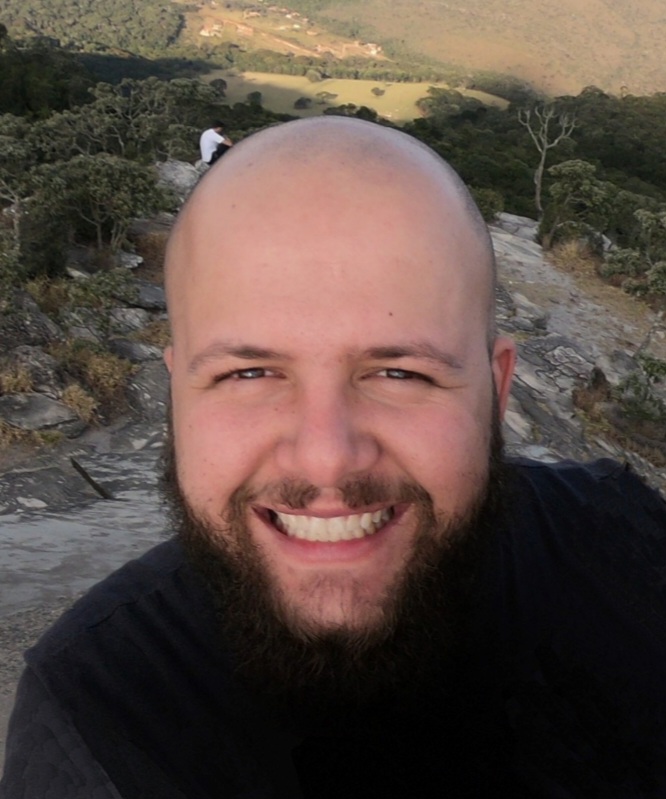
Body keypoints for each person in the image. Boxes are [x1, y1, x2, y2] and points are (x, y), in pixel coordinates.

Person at [2, 116, 666, 799]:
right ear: (176, 397)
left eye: (400, 373)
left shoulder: (620, 541)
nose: (326, 460)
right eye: (249, 373)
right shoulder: (96, 721)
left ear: (496, 392)